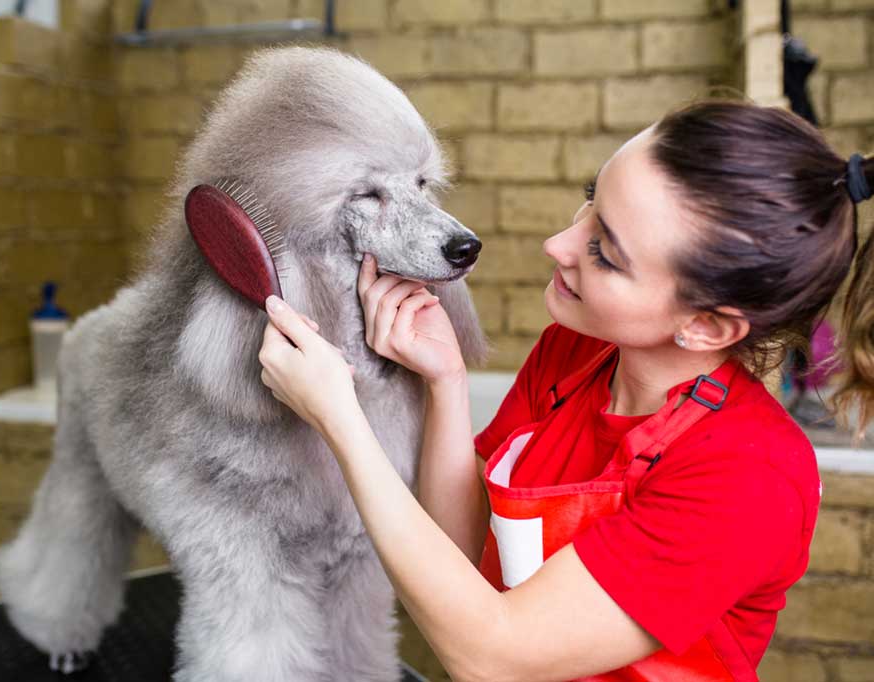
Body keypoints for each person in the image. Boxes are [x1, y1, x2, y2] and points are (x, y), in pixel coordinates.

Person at [257, 100, 874, 681]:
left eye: (605, 252)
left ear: (707, 324)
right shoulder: (576, 353)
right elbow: (467, 548)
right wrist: (445, 380)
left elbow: (490, 652)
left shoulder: (746, 477)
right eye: (590, 201)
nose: (559, 245)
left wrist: (341, 419)